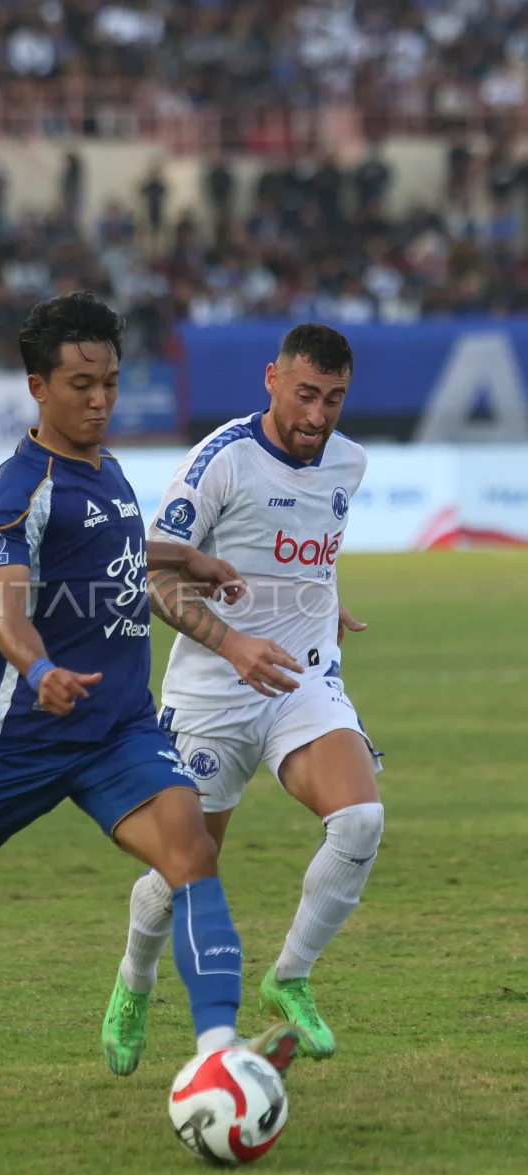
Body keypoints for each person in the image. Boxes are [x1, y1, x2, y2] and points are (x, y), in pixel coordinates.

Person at [0, 291, 300, 1076]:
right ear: (37, 387)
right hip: (23, 738)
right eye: (81, 384)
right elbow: (2, 610)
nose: (99, 400)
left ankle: (218, 1054)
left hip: (118, 729)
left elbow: (113, 550)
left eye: (109, 382)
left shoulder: (107, 468)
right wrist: (39, 668)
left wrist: (184, 557)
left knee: (190, 852)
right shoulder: (17, 489)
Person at [102, 323, 384, 1074]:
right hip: (211, 695)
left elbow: (306, 552)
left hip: (302, 679)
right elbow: (151, 575)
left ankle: (288, 978)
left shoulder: (349, 462)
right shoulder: (219, 461)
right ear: (271, 379)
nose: (317, 416)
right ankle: (134, 982)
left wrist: (322, 599)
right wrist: (232, 644)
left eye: (333, 399)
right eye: (305, 395)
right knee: (183, 871)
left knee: (359, 820)